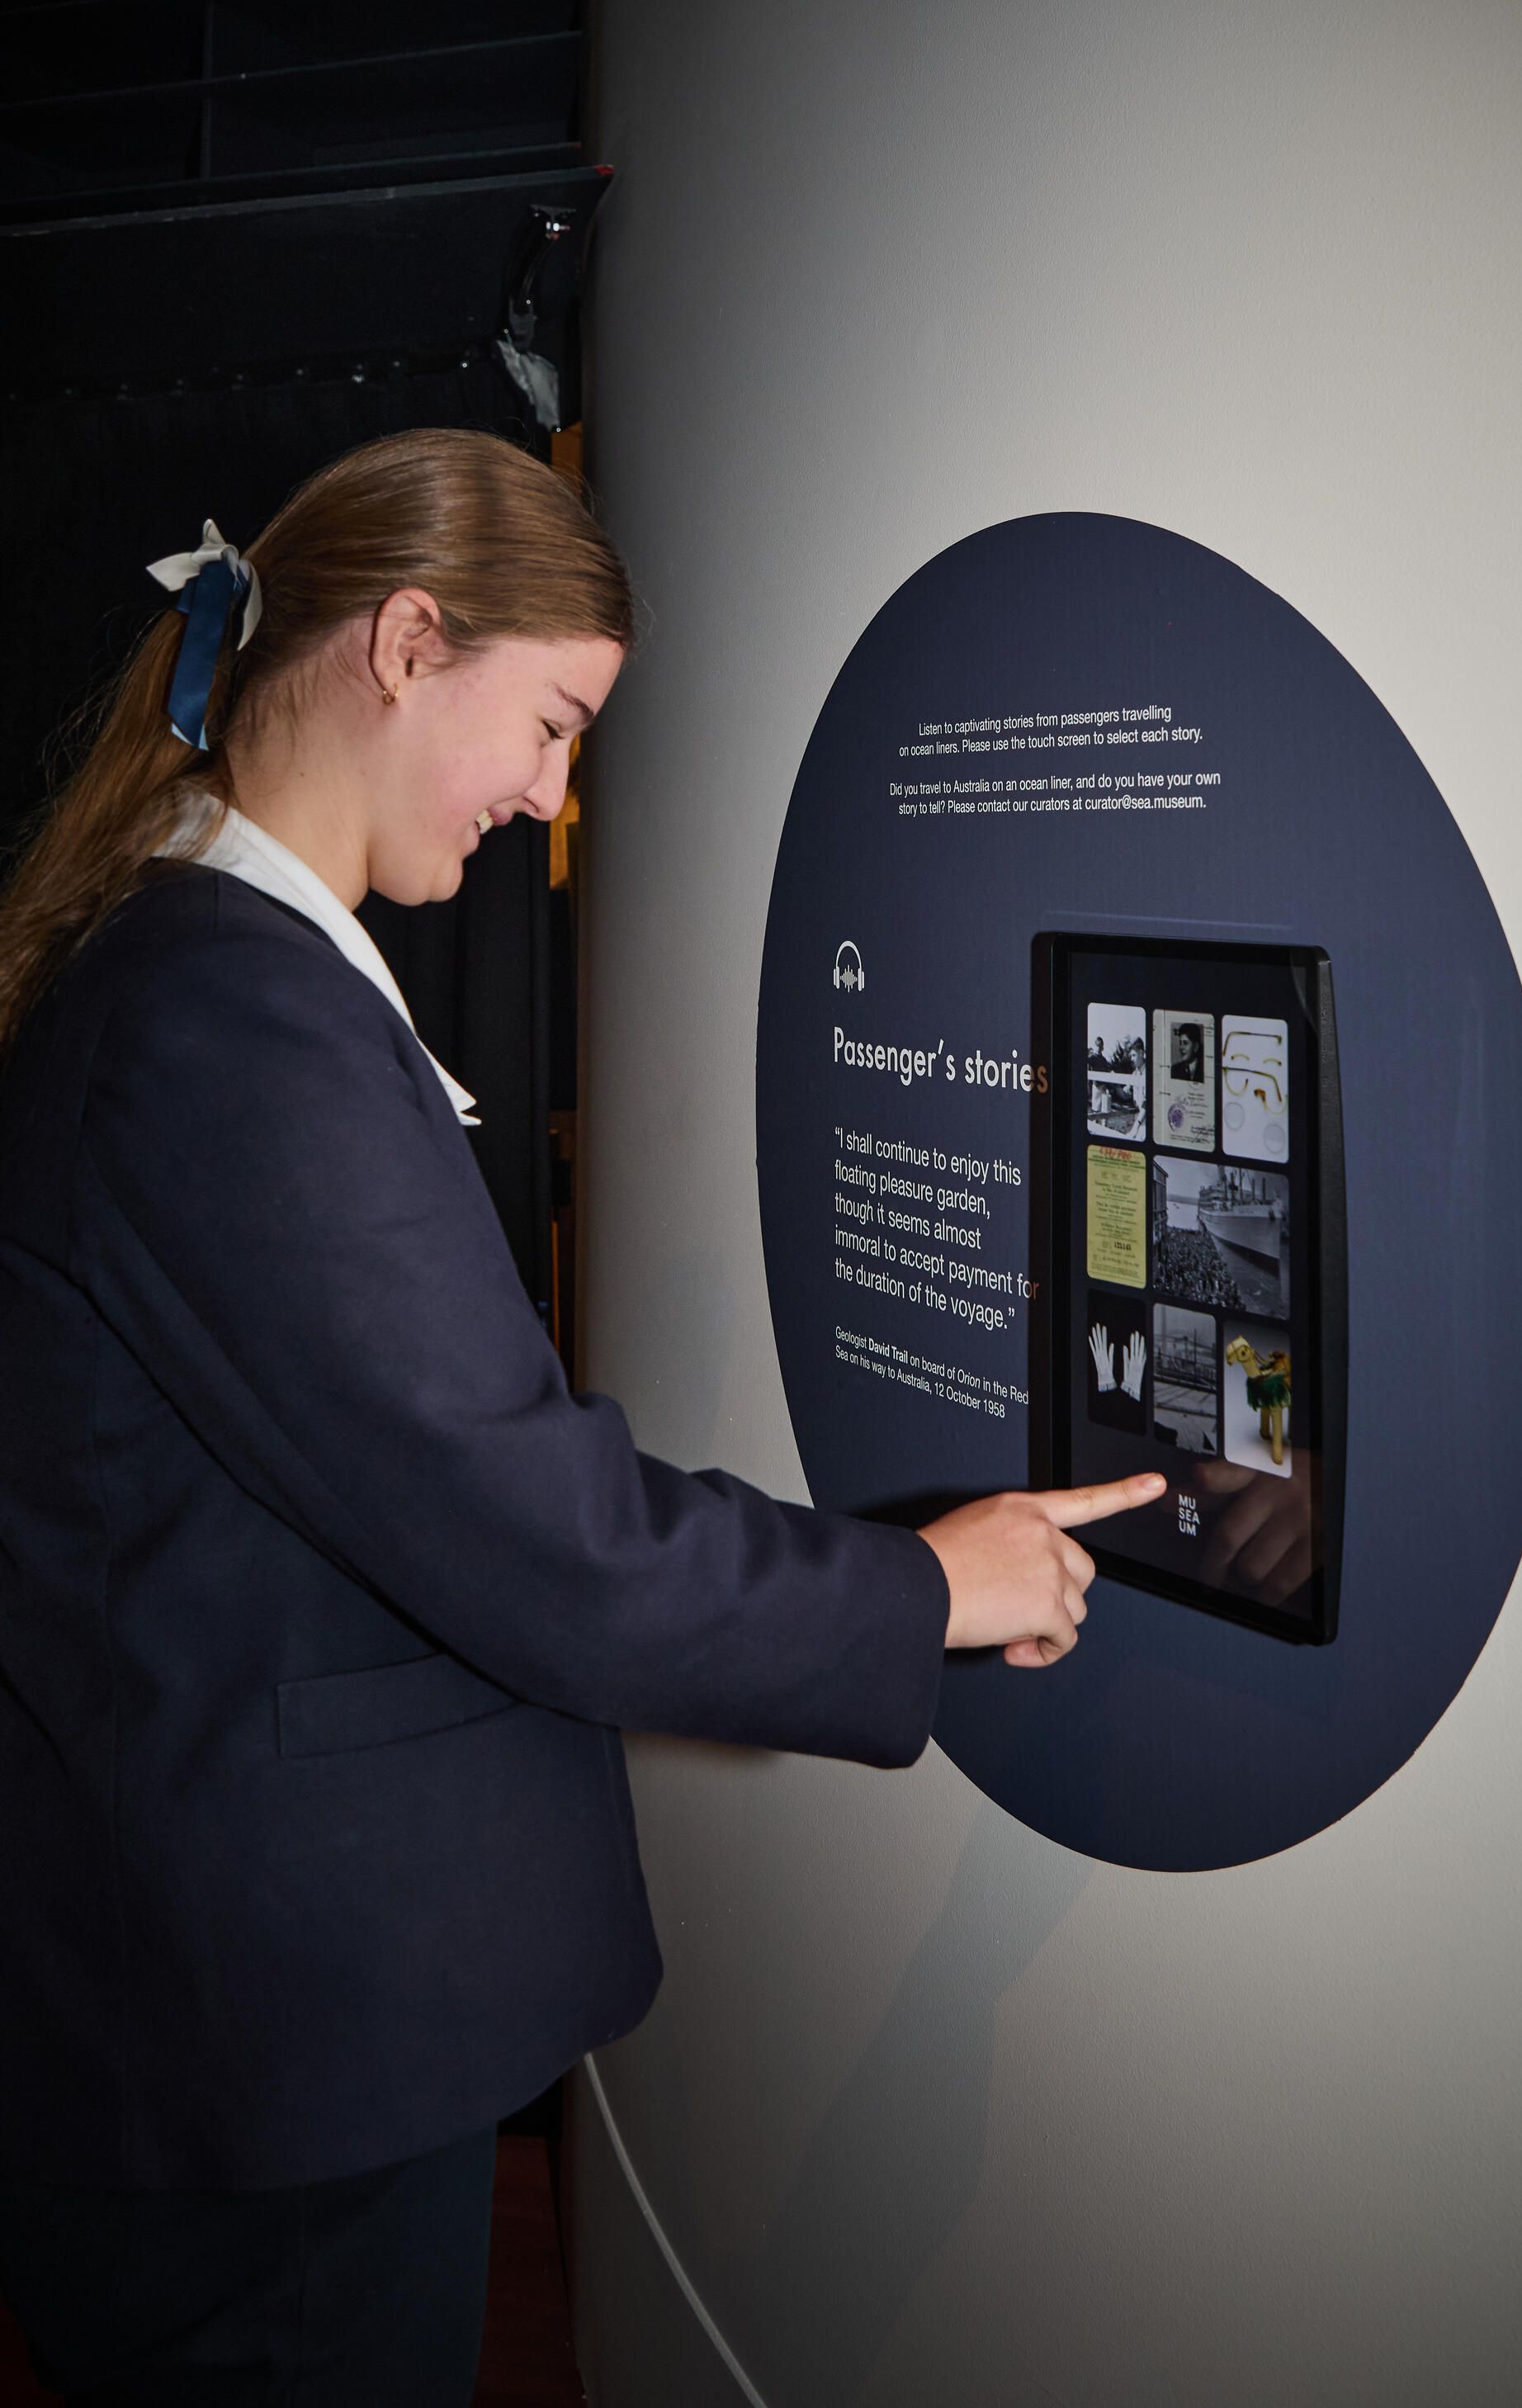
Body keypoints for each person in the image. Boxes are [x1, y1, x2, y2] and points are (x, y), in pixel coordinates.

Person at [0, 431, 1163, 2405]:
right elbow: (535, 1530)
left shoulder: (187, 961)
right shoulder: (232, 1015)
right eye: (547, 726)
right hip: (275, 2051)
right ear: (407, 642)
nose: (552, 802)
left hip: (221, 2006)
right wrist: (921, 1590)